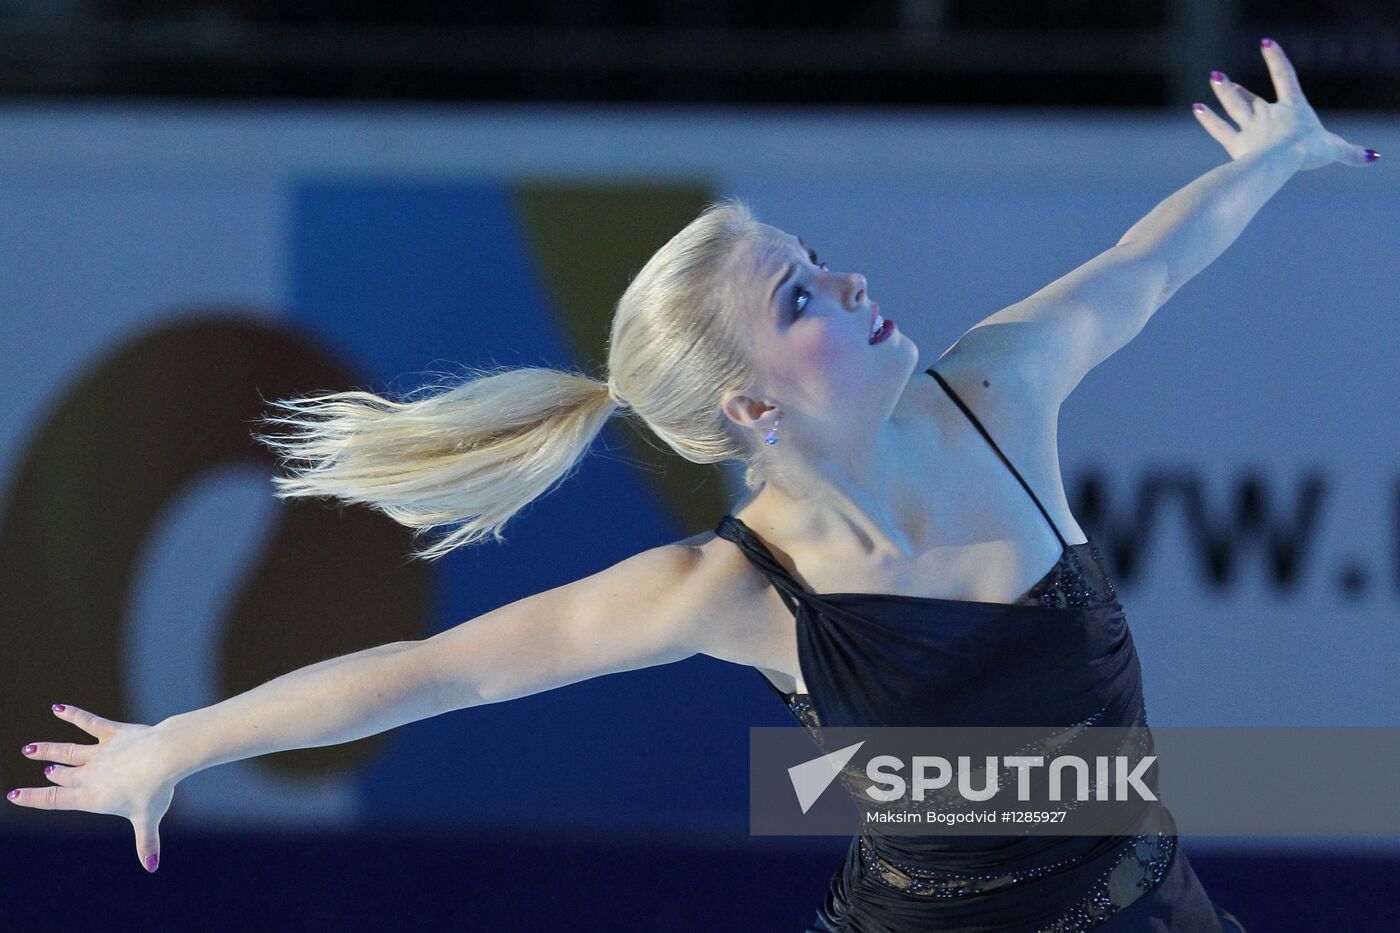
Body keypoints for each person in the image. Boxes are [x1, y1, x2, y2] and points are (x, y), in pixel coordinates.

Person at [8, 39, 1374, 931]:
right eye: (799, 295)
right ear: (753, 404)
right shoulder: (733, 590)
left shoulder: (1002, 393)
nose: (847, 282)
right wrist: (174, 744)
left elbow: (1150, 258)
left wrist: (1268, 163)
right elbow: (438, 671)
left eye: (817, 259)